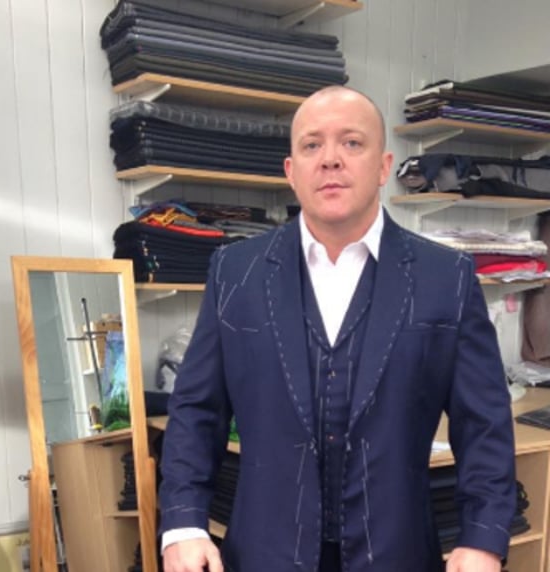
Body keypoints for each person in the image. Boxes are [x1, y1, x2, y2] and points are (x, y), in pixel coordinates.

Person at [157, 86, 516, 572]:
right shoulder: (235, 272)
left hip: (397, 553)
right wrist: (183, 524)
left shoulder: (445, 277)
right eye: (312, 145)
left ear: (384, 166)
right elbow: (196, 410)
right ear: (291, 170)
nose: (330, 159)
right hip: (264, 552)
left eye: (351, 142)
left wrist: (484, 539)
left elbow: (484, 423)